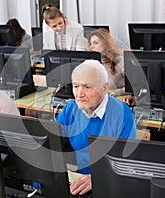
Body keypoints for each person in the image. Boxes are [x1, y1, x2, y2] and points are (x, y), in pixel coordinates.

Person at [56, 60, 137, 195]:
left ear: (104, 88)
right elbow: (52, 144)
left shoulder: (122, 113)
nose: (79, 94)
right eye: (76, 86)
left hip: (111, 183)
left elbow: (129, 164)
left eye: (87, 87)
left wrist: (97, 178)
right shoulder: (70, 109)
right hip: (79, 181)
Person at [88, 28, 126, 96]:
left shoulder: (120, 60)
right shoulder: (92, 63)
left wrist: (117, 92)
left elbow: (134, 87)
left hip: (117, 99)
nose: (91, 47)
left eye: (95, 43)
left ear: (105, 43)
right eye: (90, 44)